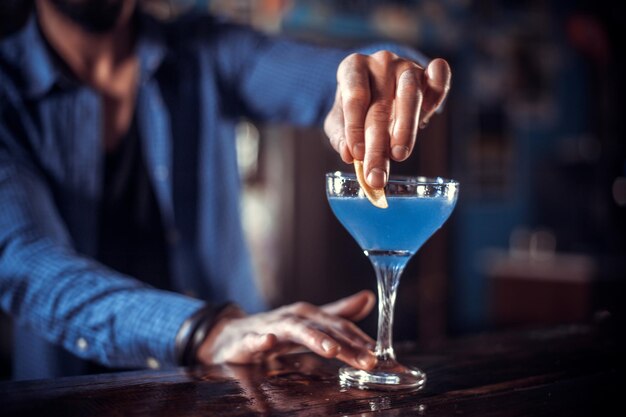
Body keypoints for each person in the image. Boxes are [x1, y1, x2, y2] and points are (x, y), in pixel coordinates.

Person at [0, 0, 451, 380]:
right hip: (67, 395)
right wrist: (204, 331)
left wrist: (384, 74)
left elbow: (339, 75)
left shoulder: (208, 50)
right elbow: (23, 259)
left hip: (235, 383)